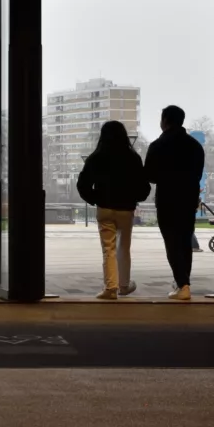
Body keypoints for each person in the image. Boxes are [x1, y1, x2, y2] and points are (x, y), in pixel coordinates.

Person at [76, 121, 151, 300]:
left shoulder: (97, 157)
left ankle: (110, 287)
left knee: (108, 248)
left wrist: (95, 199)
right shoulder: (133, 157)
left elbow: (83, 184)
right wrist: (134, 198)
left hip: (105, 207)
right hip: (126, 208)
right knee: (123, 247)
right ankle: (124, 286)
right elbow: (144, 186)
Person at [144, 105, 205, 301]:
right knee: (185, 241)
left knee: (172, 242)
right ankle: (183, 281)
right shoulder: (195, 146)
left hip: (167, 199)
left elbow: (150, 175)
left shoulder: (157, 146)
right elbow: (197, 174)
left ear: (165, 121)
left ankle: (182, 284)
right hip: (188, 199)